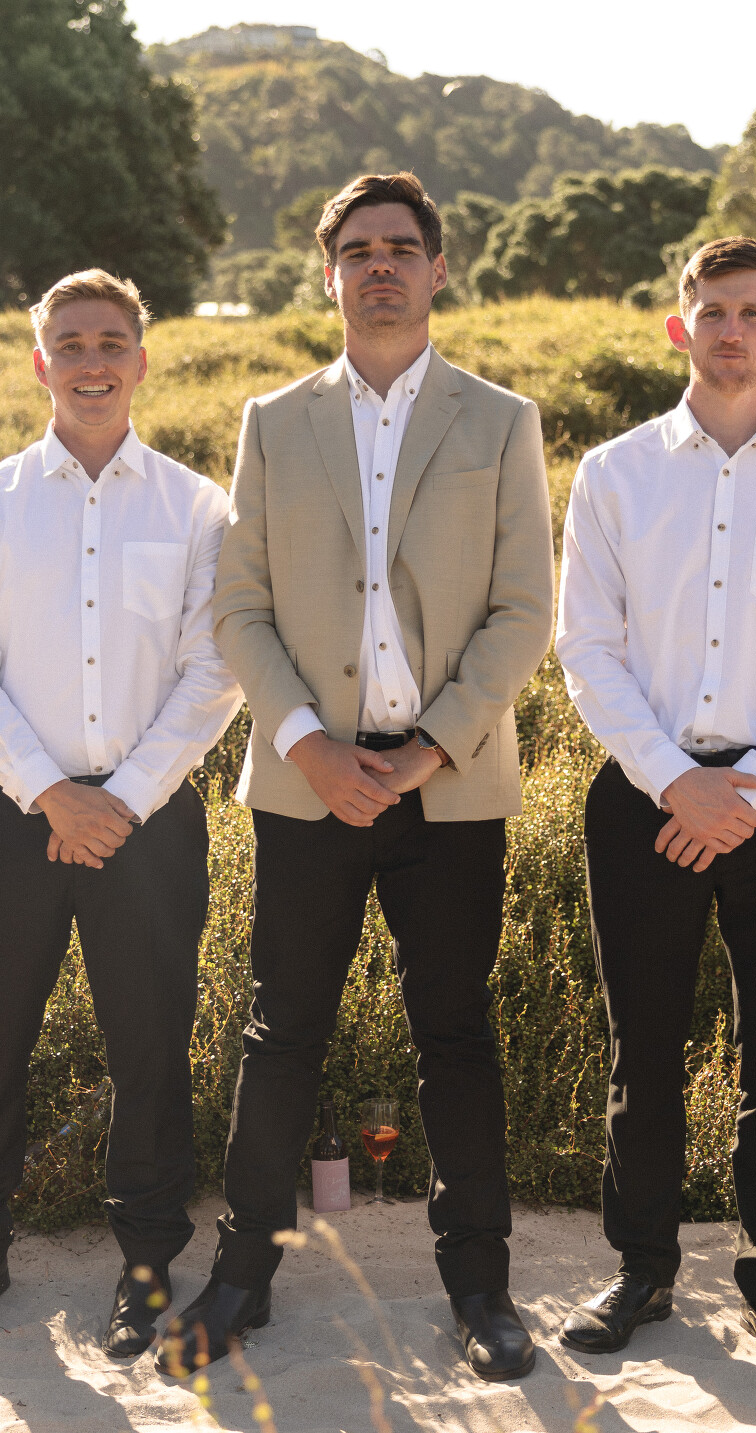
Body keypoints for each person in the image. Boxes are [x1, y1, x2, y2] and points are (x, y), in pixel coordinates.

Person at [164, 171, 556, 1383]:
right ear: (328, 273)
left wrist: (428, 747)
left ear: (438, 268)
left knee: (458, 1033)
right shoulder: (272, 421)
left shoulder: (503, 420)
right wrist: (308, 743)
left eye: (401, 246)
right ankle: (241, 1276)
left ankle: (480, 1286)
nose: (380, 264)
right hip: (309, 784)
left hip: (451, 785)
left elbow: (523, 611)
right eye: (358, 249)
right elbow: (240, 604)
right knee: (281, 1029)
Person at [553, 238, 756, 1377]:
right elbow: (587, 647)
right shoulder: (614, 474)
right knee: (641, 1045)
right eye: (712, 311)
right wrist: (674, 780)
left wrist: (750, 791)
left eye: (752, 313)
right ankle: (642, 1269)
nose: (732, 330)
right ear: (678, 326)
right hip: (645, 793)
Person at [0, 270, 241, 1358]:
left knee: (151, 1049)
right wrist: (52, 794)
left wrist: (123, 799)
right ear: (38, 362)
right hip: (9, 815)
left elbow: (214, 670)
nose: (91, 362)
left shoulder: (197, 508)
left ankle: (145, 1266)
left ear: (142, 360)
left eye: (110, 342)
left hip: (151, 819)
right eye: (70, 343)